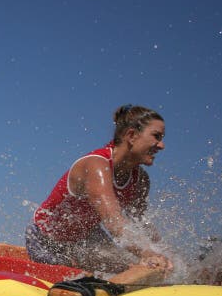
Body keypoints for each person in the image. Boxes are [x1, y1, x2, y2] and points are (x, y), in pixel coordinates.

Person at [25, 104, 172, 276]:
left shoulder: (141, 180)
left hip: (87, 236)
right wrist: (148, 254)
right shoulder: (96, 165)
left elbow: (142, 225)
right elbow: (113, 220)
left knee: (138, 267)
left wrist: (168, 257)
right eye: (156, 136)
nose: (161, 145)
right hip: (47, 239)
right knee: (129, 268)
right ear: (131, 135)